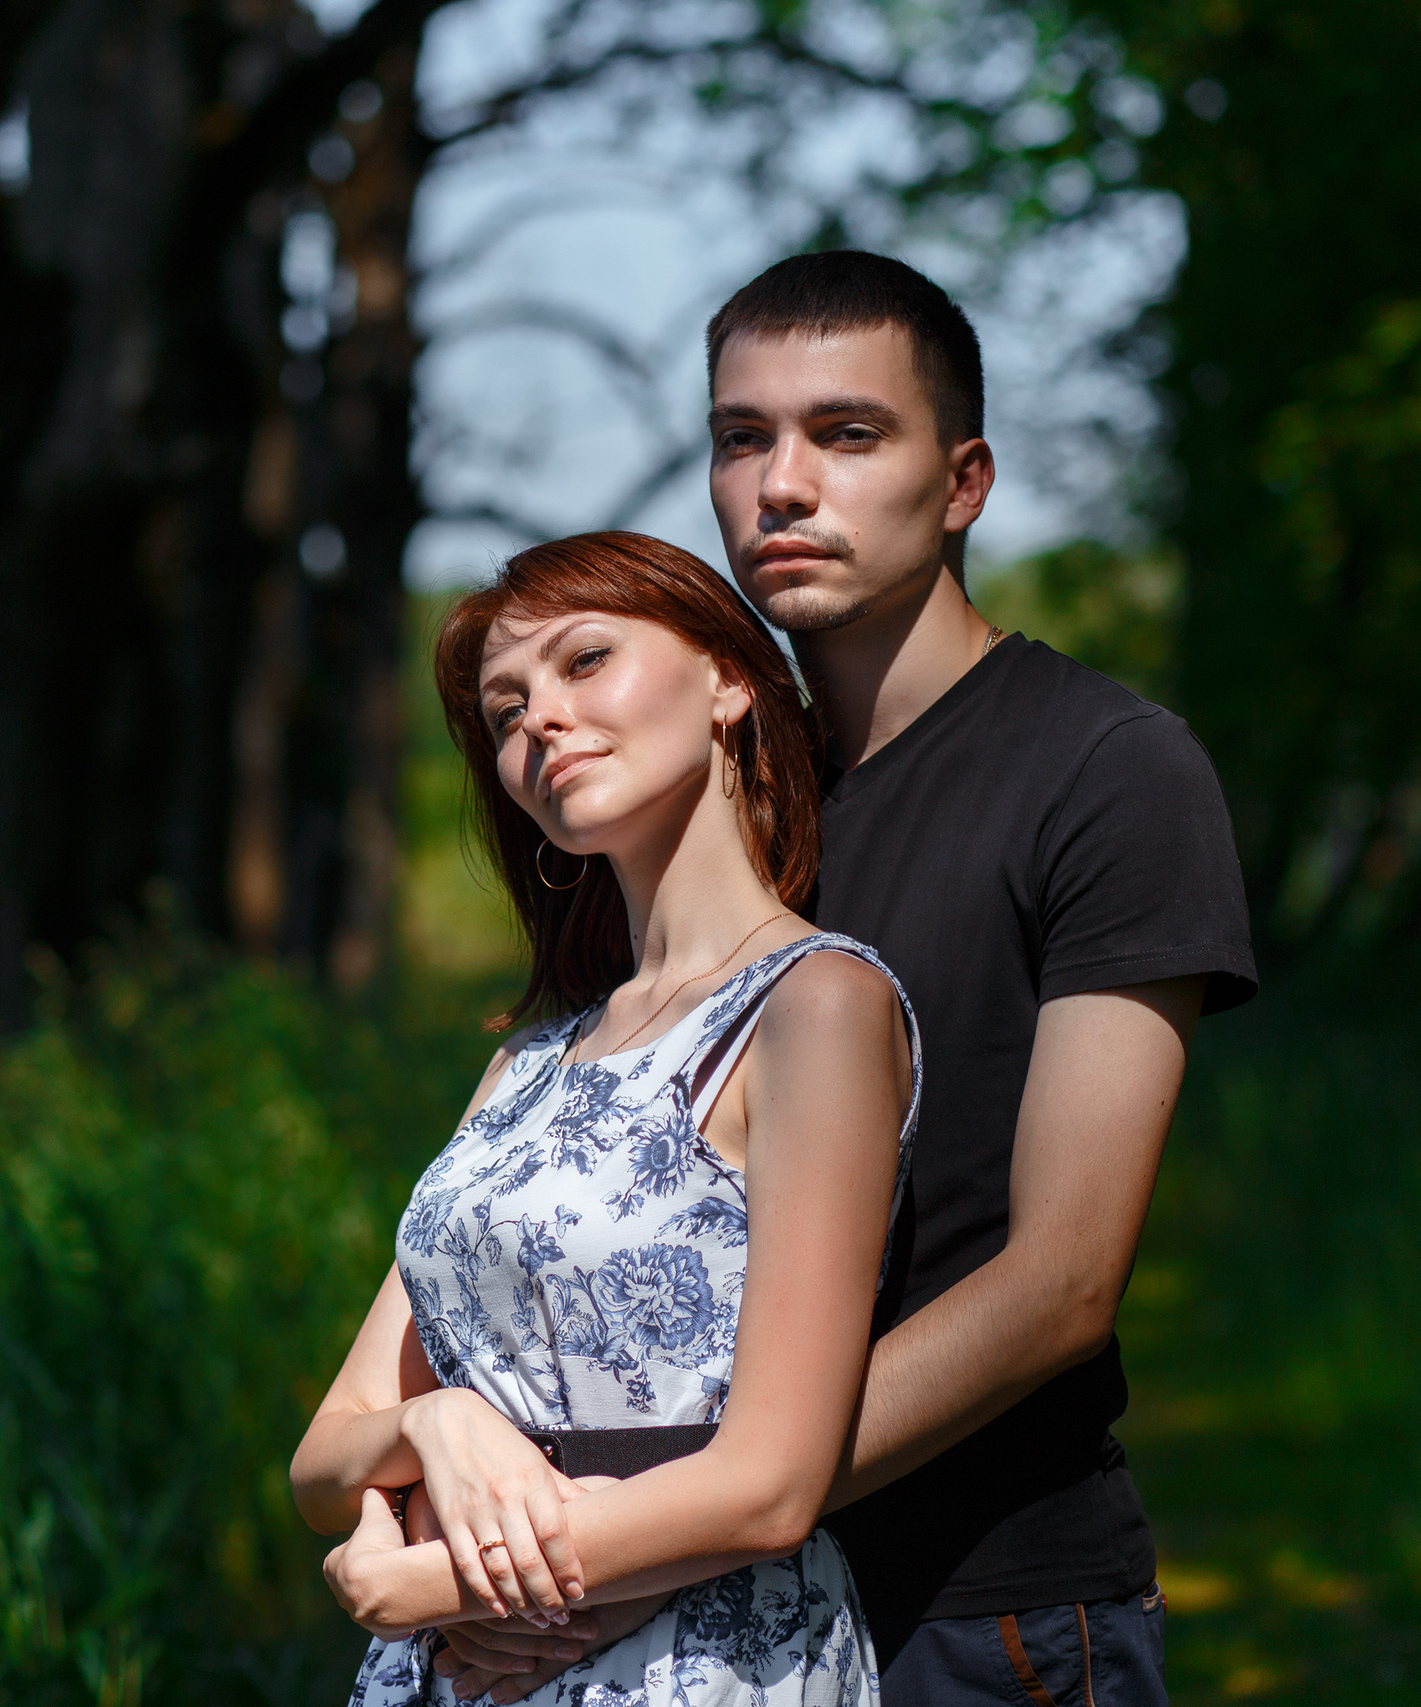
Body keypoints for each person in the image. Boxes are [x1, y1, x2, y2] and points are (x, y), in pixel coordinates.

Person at [435, 252, 1256, 1706]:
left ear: (965, 480)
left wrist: (669, 1526)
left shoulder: (1109, 769)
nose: (783, 484)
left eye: (847, 433)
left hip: (974, 1608)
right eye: (742, 437)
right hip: (677, 1631)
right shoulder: (706, 792)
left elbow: (1060, 1280)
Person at [292, 530, 924, 1705]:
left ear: (731, 681)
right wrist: (440, 1435)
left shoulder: (812, 1008)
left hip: (698, 1664)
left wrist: (431, 1592)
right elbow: (328, 1454)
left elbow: (772, 1484)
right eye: (503, 710)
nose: (538, 720)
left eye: (587, 661)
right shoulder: (527, 1065)